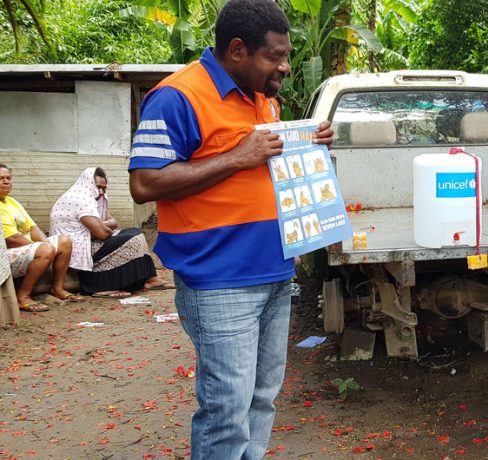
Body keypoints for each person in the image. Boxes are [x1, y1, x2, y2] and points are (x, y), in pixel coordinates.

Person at [126, 0, 333, 457]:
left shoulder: (265, 98)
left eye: (287, 55)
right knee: (227, 411)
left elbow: (264, 171)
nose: (284, 66)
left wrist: (306, 145)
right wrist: (239, 155)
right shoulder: (177, 96)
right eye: (274, 57)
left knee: (261, 401)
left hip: (275, 275)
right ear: (237, 50)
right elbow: (144, 183)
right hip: (220, 283)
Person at [48, 167, 172, 298]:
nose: (101, 192)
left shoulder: (92, 197)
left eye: (104, 188)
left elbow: (113, 222)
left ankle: (149, 279)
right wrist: (102, 226)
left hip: (89, 240)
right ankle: (103, 286)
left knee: (134, 232)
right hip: (78, 250)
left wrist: (101, 224)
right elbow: (103, 234)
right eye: (98, 187)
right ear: (88, 184)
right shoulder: (81, 200)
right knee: (133, 239)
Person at [0, 164, 84, 312]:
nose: (6, 181)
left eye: (8, 178)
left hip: (26, 248)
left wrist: (46, 245)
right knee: (46, 249)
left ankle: (57, 288)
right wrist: (41, 249)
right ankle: (22, 297)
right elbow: (11, 239)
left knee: (64, 242)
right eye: (1, 178)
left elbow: (33, 227)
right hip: (6, 254)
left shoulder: (12, 202)